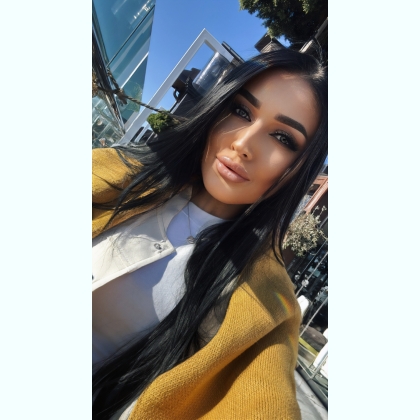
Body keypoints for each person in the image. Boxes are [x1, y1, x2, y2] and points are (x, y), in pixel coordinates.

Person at [92, 48, 327, 420]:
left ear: (299, 167)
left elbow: (264, 399)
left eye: (282, 138)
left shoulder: (267, 301)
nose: (243, 144)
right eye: (241, 111)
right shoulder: (114, 174)